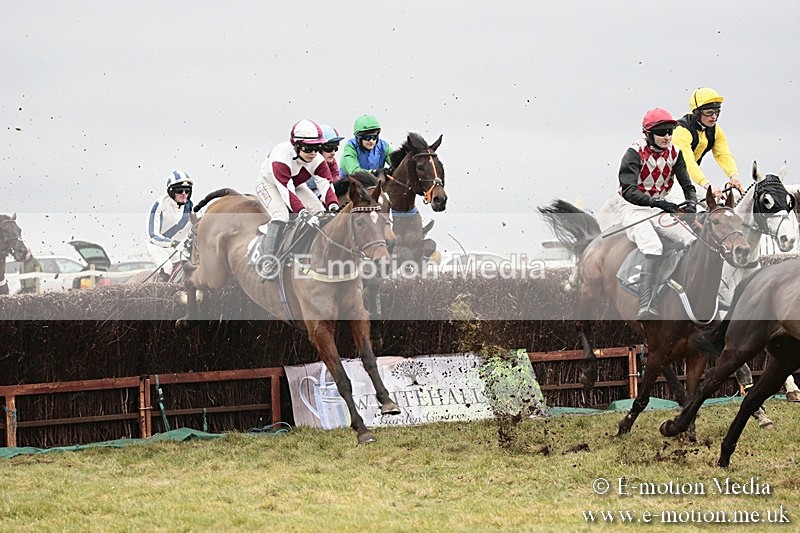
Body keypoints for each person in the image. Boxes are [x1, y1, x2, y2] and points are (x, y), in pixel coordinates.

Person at [608, 108, 698, 320]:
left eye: (670, 132)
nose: (667, 137)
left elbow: (688, 185)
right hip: (632, 208)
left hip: (659, 207)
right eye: (662, 133)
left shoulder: (675, 153)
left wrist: (692, 203)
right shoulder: (634, 153)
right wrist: (657, 202)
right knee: (653, 246)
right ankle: (645, 305)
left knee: (692, 240)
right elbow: (629, 191)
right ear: (649, 134)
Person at [252, 119, 339, 280]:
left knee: (320, 212)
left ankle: (306, 255)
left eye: (317, 148)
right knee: (281, 215)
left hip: (296, 184)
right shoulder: (281, 156)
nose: (313, 153)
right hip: (270, 185)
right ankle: (268, 261)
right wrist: (303, 213)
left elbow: (326, 185)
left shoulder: (316, 160)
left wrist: (333, 205)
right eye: (308, 148)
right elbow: (286, 191)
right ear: (297, 146)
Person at [671, 87, 743, 198]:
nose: (714, 117)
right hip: (668, 179)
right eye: (709, 113)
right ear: (696, 113)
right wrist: (707, 185)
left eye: (717, 112)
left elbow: (723, 155)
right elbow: (688, 163)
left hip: (688, 178)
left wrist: (734, 176)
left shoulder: (716, 130)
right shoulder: (681, 131)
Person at [147, 170, 195, 281]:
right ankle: (157, 294)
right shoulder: (159, 205)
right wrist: (173, 243)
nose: (184, 194)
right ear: (172, 191)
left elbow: (198, 225)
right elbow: (152, 235)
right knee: (167, 267)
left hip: (178, 246)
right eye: (180, 190)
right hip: (157, 246)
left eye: (187, 191)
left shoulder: (190, 206)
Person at [336, 115, 393, 195]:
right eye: (367, 137)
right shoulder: (350, 148)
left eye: (374, 137)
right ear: (358, 138)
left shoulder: (383, 146)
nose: (371, 141)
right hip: (350, 188)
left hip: (374, 186)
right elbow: (355, 172)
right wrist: (376, 172)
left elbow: (396, 162)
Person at [306, 124, 344, 201]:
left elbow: (335, 178)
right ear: (318, 148)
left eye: (335, 148)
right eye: (329, 148)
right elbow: (310, 184)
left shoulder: (331, 161)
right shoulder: (307, 161)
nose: (333, 153)